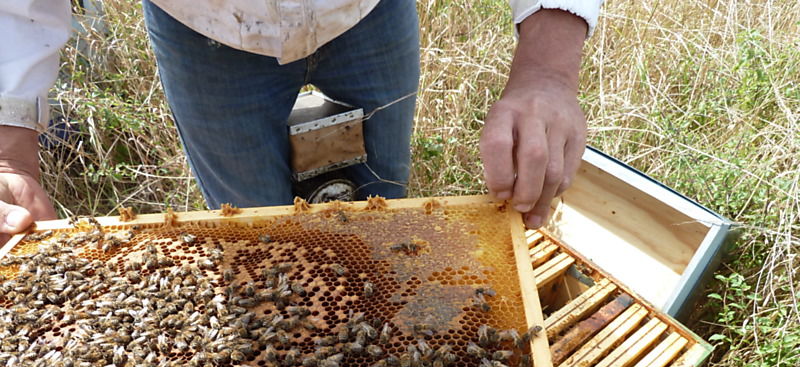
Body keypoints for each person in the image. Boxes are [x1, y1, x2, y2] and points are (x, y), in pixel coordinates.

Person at [0, 0, 602, 248]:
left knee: (379, 210)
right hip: (203, 24)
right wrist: (8, 148)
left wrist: (547, 65)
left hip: (366, 10)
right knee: (251, 231)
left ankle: (373, 301)